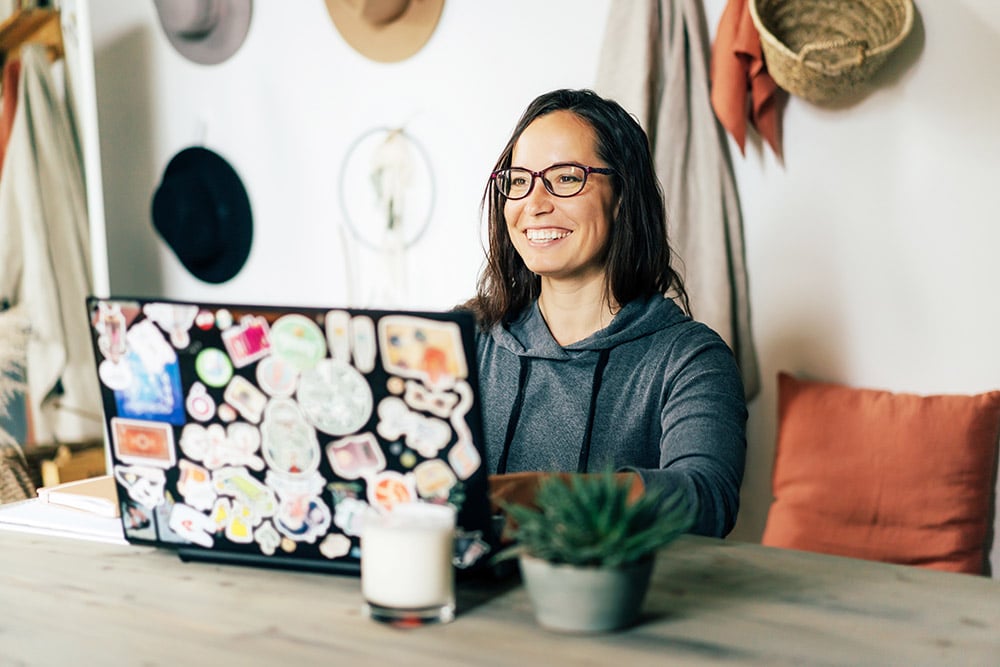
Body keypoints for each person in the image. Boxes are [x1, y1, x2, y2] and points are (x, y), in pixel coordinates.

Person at [462, 88, 747, 538]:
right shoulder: (466, 341)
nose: (534, 203)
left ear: (621, 197)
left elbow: (706, 499)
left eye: (566, 177)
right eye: (518, 180)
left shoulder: (690, 359)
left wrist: (530, 495)